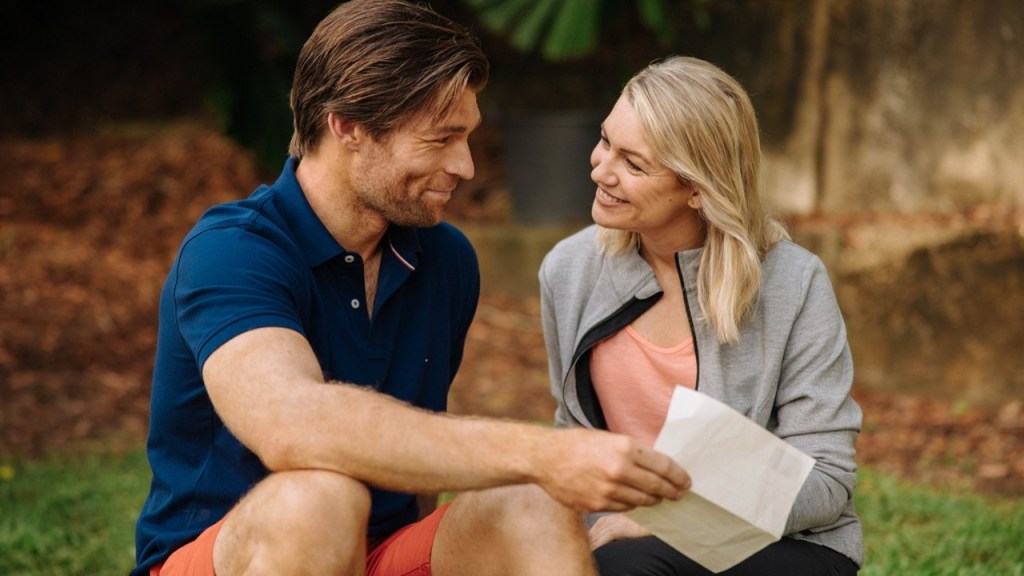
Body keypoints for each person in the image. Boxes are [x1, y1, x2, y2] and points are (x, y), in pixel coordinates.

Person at [130, 2, 693, 575]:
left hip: (379, 556)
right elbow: (290, 425)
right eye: (441, 139)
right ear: (347, 126)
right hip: (232, 553)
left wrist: (534, 482)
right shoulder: (234, 250)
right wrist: (546, 453)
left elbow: (415, 466)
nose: (467, 166)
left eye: (467, 137)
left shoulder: (445, 260)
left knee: (531, 501)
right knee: (320, 499)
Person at [538, 56, 864, 575]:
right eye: (605, 141)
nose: (600, 169)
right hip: (626, 541)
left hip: (779, 541)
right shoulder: (569, 270)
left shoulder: (793, 282)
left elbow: (826, 480)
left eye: (634, 163)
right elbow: (571, 432)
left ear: (697, 189)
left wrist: (672, 518)